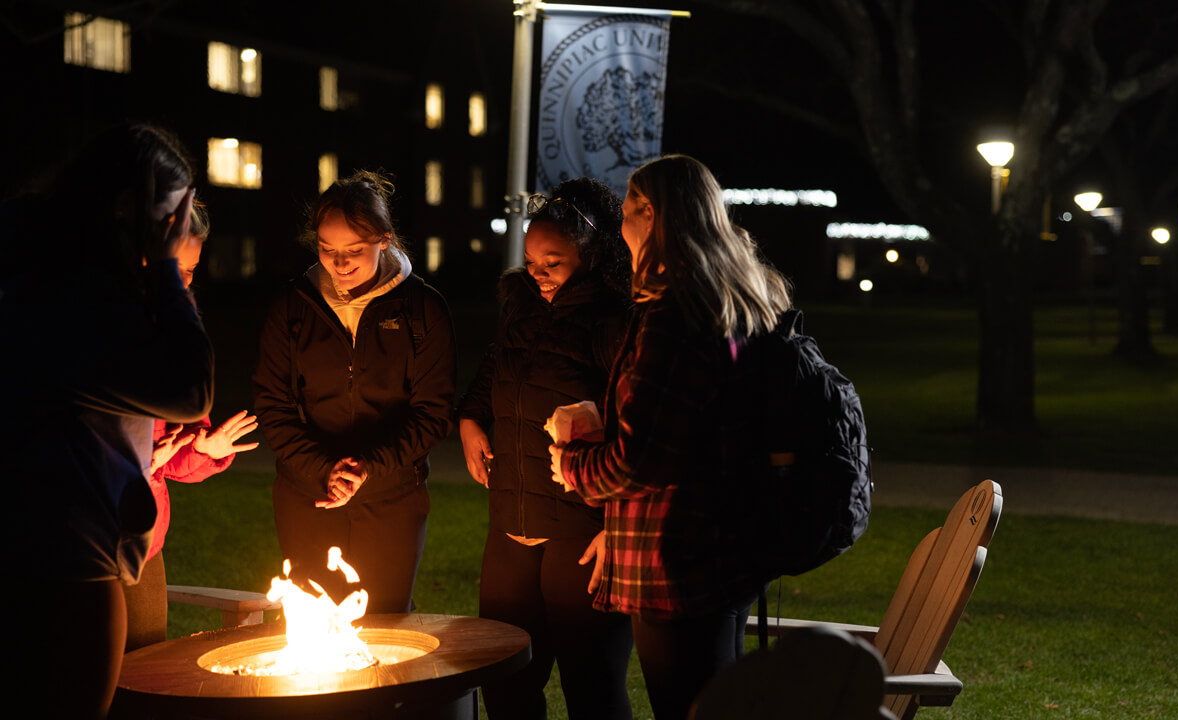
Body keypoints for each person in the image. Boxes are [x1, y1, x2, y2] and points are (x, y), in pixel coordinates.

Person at [549, 155, 792, 720]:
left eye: (629, 211)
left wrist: (574, 463)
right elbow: (694, 422)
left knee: (688, 707)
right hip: (729, 546)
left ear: (649, 214)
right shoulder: (735, 298)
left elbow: (640, 460)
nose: (621, 230)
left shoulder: (672, 311)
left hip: (674, 562)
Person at [1, 123, 214, 718]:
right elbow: (191, 388)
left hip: (53, 546)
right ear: (130, 207)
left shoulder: (44, 278)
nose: (178, 230)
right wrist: (169, 275)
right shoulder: (73, 301)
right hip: (66, 561)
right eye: (173, 215)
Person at [457, 178, 634, 720]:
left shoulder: (614, 322)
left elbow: (640, 429)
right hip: (511, 519)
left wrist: (617, 526)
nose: (537, 274)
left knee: (592, 686)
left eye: (552, 262)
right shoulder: (522, 307)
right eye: (531, 260)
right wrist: (469, 419)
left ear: (592, 253)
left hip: (582, 531)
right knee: (506, 681)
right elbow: (496, 369)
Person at [253, 170, 455, 614]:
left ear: (384, 240)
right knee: (313, 632)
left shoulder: (422, 309)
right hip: (307, 496)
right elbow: (272, 405)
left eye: (354, 251)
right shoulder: (293, 306)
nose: (339, 263)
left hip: (391, 499)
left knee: (384, 634)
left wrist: (367, 468)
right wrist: (324, 469)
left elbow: (433, 413)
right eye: (327, 250)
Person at [123, 201, 261, 652]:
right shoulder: (91, 329)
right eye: (173, 269)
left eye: (191, 271)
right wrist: (136, 465)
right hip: (80, 541)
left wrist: (207, 448)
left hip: (145, 543)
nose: (182, 283)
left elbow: (174, 451)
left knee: (144, 670)